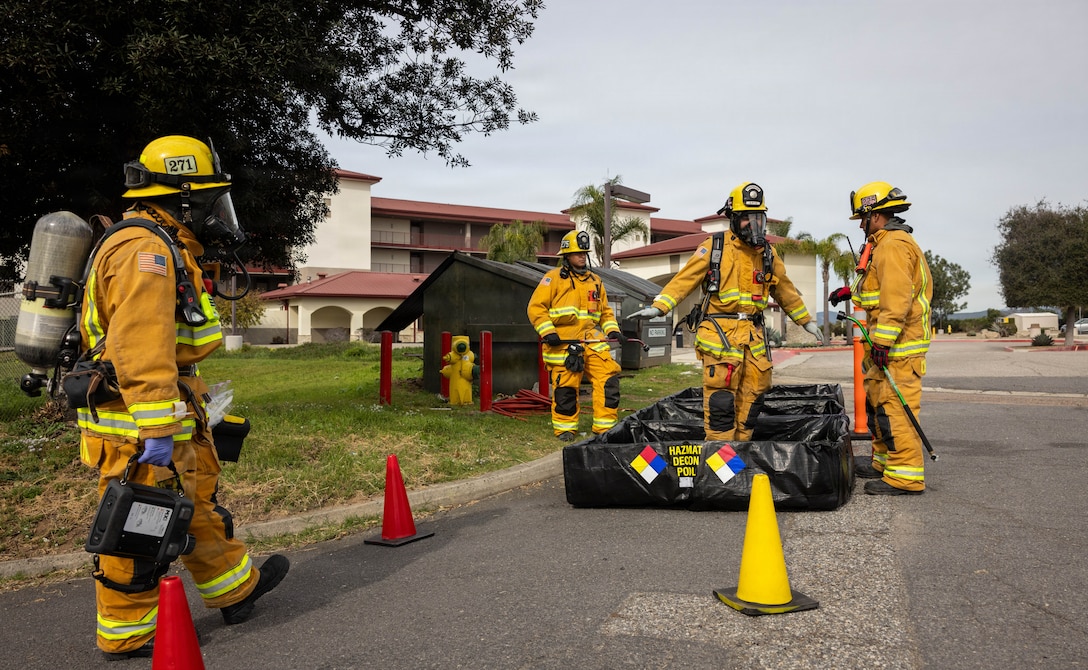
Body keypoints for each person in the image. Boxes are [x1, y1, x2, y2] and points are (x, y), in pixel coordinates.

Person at [76, 136, 289, 659]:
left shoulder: (164, 246)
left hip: (167, 409)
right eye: (212, 201)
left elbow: (183, 340)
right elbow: (142, 346)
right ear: (182, 198)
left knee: (194, 506)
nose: (220, 215)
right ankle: (127, 634)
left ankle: (235, 591)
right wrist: (155, 427)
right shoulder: (145, 252)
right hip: (138, 423)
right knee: (139, 524)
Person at [627, 182, 824, 441]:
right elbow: (684, 279)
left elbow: (784, 289)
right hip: (720, 335)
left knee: (756, 391)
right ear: (732, 218)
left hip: (753, 336)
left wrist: (806, 321)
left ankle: (742, 446)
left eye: (757, 218)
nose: (752, 224)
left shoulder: (767, 253)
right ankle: (721, 455)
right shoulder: (715, 247)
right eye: (746, 218)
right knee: (721, 397)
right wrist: (659, 306)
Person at [828, 181, 932, 495]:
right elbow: (879, 288)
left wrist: (884, 342)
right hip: (884, 347)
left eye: (863, 217)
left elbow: (897, 299)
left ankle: (905, 477)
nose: (860, 223)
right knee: (878, 407)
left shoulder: (894, 245)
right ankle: (883, 463)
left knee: (894, 409)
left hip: (898, 348)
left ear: (876, 214)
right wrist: (850, 291)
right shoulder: (882, 244)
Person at [527, 230, 625, 441]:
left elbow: (605, 312)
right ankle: (565, 428)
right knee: (566, 388)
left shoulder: (595, 281)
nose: (581, 256)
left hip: (591, 339)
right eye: (576, 253)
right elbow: (536, 308)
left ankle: (605, 428)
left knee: (608, 377)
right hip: (563, 342)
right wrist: (548, 332)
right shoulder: (552, 279)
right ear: (566, 256)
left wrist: (612, 330)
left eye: (583, 253)